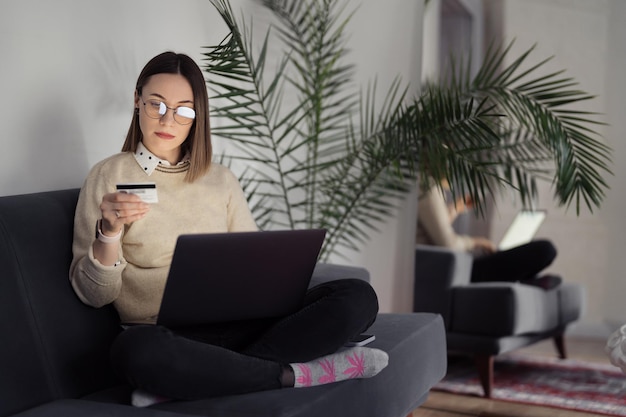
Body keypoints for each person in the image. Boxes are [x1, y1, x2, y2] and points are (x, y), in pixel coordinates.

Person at [70, 51, 388, 407]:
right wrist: (109, 232)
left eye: (183, 110)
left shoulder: (221, 180)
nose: (167, 119)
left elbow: (253, 264)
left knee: (358, 296)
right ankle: (297, 374)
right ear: (137, 101)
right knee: (134, 352)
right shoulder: (109, 176)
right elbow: (93, 294)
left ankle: (200, 380)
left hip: (243, 326)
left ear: (197, 116)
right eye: (155, 104)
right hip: (166, 336)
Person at [416, 180, 562, 289]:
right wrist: (478, 242)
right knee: (546, 249)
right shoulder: (427, 187)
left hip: (454, 266)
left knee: (513, 257)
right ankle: (525, 281)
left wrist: (456, 208)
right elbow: (449, 245)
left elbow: (436, 229)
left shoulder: (429, 187)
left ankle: (525, 280)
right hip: (457, 270)